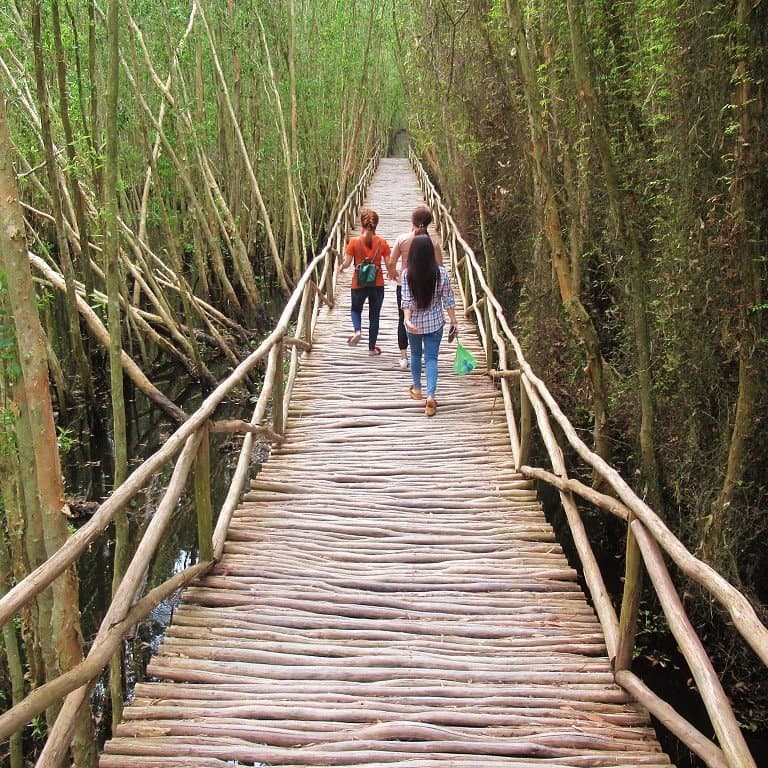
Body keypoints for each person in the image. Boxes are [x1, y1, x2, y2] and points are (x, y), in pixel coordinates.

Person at [402, 234, 457, 417]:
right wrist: (454, 321)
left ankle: (417, 388)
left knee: (416, 354)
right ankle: (431, 396)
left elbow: (407, 301)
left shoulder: (407, 273)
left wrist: (408, 320)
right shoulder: (441, 273)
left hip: (414, 324)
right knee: (432, 358)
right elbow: (448, 299)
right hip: (435, 323)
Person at [387, 206, 444, 370]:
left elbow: (391, 262)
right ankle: (426, 356)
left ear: (412, 222)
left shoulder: (402, 239)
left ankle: (404, 357)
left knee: (403, 320)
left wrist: (393, 273)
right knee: (427, 316)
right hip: (428, 284)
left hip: (405, 284)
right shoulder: (433, 242)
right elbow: (440, 265)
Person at [342, 208, 391, 355]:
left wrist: (340, 268)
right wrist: (394, 272)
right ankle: (371, 349)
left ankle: (357, 331)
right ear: (376, 224)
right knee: (374, 316)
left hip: (358, 283)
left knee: (355, 310)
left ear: (361, 224)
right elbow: (389, 265)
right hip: (377, 284)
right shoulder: (382, 243)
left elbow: (347, 263)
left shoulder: (354, 242)